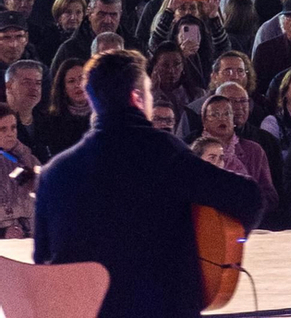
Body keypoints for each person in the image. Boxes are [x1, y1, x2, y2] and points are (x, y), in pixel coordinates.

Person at [32, 48, 261, 318]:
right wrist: (221, 244)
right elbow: (249, 197)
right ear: (137, 97)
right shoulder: (165, 153)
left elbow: (43, 261)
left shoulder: (53, 174)